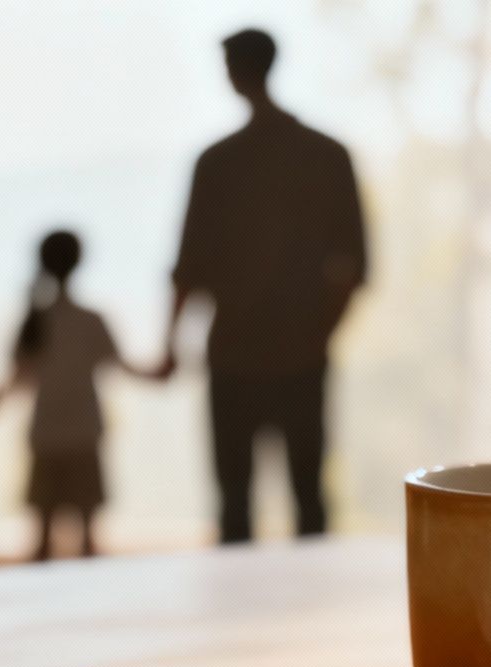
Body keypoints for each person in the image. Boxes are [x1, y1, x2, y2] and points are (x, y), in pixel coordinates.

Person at [164, 28, 368, 544]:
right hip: (296, 353)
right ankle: (312, 612)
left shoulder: (218, 163)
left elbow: (188, 267)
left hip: (236, 354)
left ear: (234, 72)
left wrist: (170, 342)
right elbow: (355, 267)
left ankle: (242, 617)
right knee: (307, 497)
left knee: (237, 501)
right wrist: (318, 333)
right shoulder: (326, 155)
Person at [0, 230, 166, 561]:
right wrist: (158, 372)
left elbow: (16, 380)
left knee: (42, 538)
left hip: (46, 435)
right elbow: (122, 366)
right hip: (83, 433)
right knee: (87, 539)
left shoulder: (35, 321)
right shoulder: (88, 320)